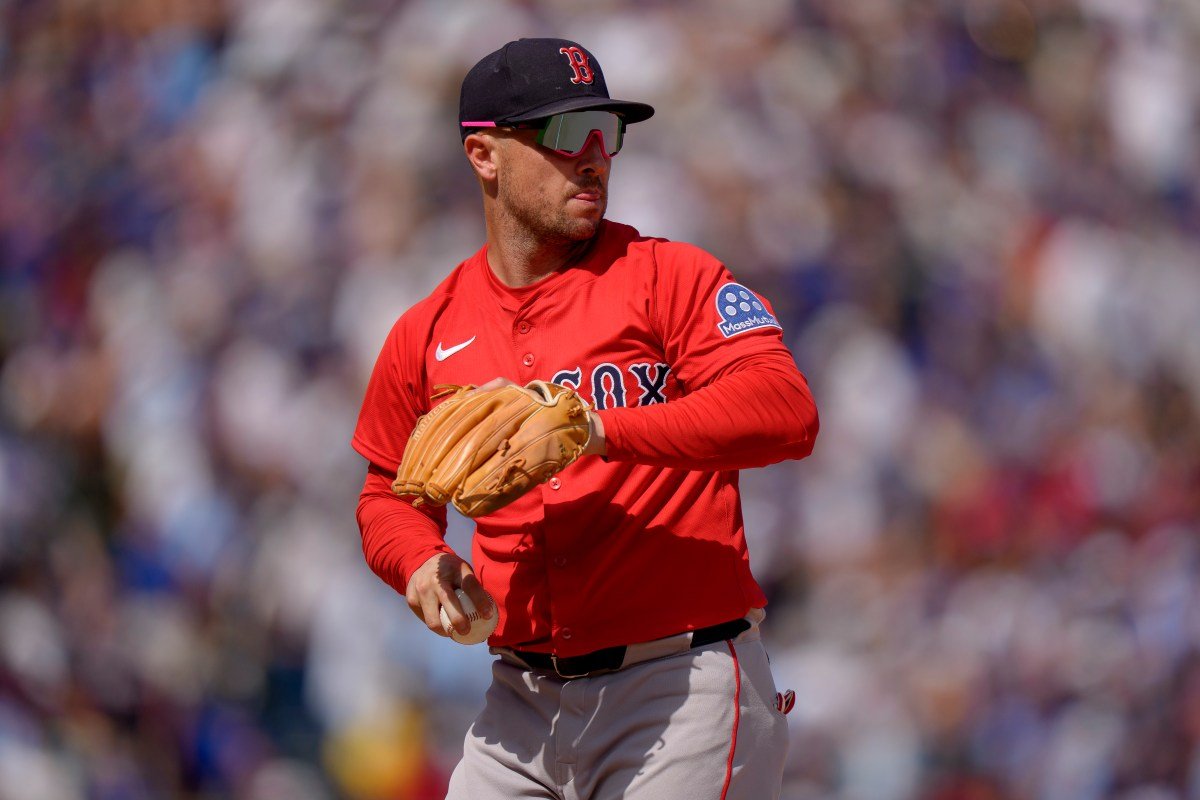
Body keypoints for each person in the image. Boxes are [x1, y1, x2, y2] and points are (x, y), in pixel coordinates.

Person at [351, 37, 819, 800]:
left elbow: (786, 410)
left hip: (679, 683)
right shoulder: (428, 330)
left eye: (608, 131)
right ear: (484, 154)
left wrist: (598, 430)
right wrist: (421, 560)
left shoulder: (670, 277)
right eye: (567, 133)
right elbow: (387, 493)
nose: (595, 156)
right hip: (519, 704)